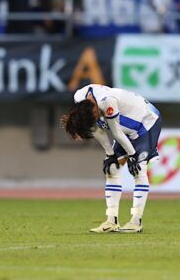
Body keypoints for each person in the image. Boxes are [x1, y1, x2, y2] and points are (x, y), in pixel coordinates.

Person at [61, 84, 162, 233]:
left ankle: (136, 221)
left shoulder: (108, 101)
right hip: (125, 128)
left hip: (145, 123)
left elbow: (115, 132)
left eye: (96, 117)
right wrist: (110, 154)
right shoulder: (80, 99)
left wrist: (132, 154)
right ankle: (111, 221)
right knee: (111, 169)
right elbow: (97, 130)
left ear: (95, 109)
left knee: (138, 169)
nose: (97, 118)